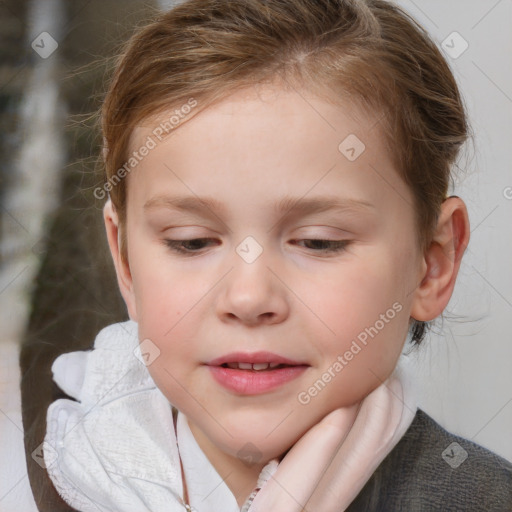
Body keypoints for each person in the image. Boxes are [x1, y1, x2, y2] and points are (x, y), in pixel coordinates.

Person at [36, 0, 512, 510]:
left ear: (432, 263)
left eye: (319, 242)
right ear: (126, 261)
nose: (248, 297)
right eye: (191, 241)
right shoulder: (39, 477)